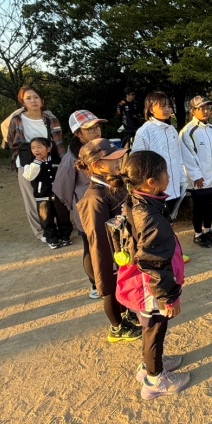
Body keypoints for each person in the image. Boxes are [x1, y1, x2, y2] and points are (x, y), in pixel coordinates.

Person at [112, 151, 190, 400]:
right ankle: (155, 379)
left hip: (143, 281)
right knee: (155, 327)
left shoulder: (138, 200)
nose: (169, 177)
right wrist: (169, 298)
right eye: (165, 173)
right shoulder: (150, 217)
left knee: (152, 329)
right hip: (150, 287)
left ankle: (150, 363)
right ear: (151, 183)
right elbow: (154, 262)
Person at [76, 138, 142, 342]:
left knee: (127, 284)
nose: (119, 161)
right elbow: (97, 239)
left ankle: (129, 311)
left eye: (120, 157)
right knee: (111, 289)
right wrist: (109, 265)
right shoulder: (94, 198)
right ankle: (117, 327)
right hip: (112, 255)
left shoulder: (114, 183)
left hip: (125, 248)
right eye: (113, 159)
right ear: (96, 165)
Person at [53, 109, 108, 299]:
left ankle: (110, 278)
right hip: (88, 211)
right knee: (92, 246)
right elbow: (61, 189)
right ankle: (95, 284)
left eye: (97, 126)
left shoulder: (104, 149)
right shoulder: (71, 159)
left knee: (110, 244)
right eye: (90, 129)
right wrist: (78, 207)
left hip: (109, 208)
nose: (96, 131)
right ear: (78, 133)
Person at [4, 86, 65, 243]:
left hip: (50, 162)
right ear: (22, 101)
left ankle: (60, 228)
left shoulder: (50, 119)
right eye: (28, 98)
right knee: (32, 198)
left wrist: (63, 161)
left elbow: (58, 142)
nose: (33, 101)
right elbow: (12, 141)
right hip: (27, 163)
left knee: (55, 195)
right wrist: (32, 154)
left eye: (36, 97)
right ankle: (41, 232)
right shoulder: (17, 119)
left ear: (42, 100)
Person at [180, 96, 212, 248]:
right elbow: (187, 157)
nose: (206, 111)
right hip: (199, 180)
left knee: (209, 205)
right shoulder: (188, 132)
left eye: (207, 108)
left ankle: (208, 230)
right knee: (199, 207)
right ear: (193, 111)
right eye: (201, 108)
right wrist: (196, 176)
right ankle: (198, 234)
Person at [131, 92, 188, 216]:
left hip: (174, 186)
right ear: (151, 109)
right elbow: (138, 162)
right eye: (163, 106)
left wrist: (182, 179)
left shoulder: (172, 130)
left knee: (170, 222)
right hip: (156, 191)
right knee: (159, 224)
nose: (168, 110)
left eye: (168, 106)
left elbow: (179, 157)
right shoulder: (144, 131)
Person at [22, 137, 74, 249]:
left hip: (58, 196)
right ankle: (52, 239)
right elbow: (29, 176)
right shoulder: (30, 164)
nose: (36, 150)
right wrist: (36, 163)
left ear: (48, 149)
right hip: (42, 198)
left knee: (63, 217)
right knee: (46, 220)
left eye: (40, 147)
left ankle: (65, 237)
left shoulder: (57, 161)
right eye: (33, 148)